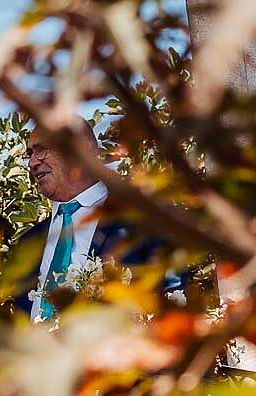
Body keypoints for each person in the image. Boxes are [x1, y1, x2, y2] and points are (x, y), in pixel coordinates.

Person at [14, 120, 168, 322]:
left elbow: (172, 292)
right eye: (29, 154)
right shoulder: (27, 244)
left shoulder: (140, 219)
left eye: (42, 150)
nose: (32, 163)